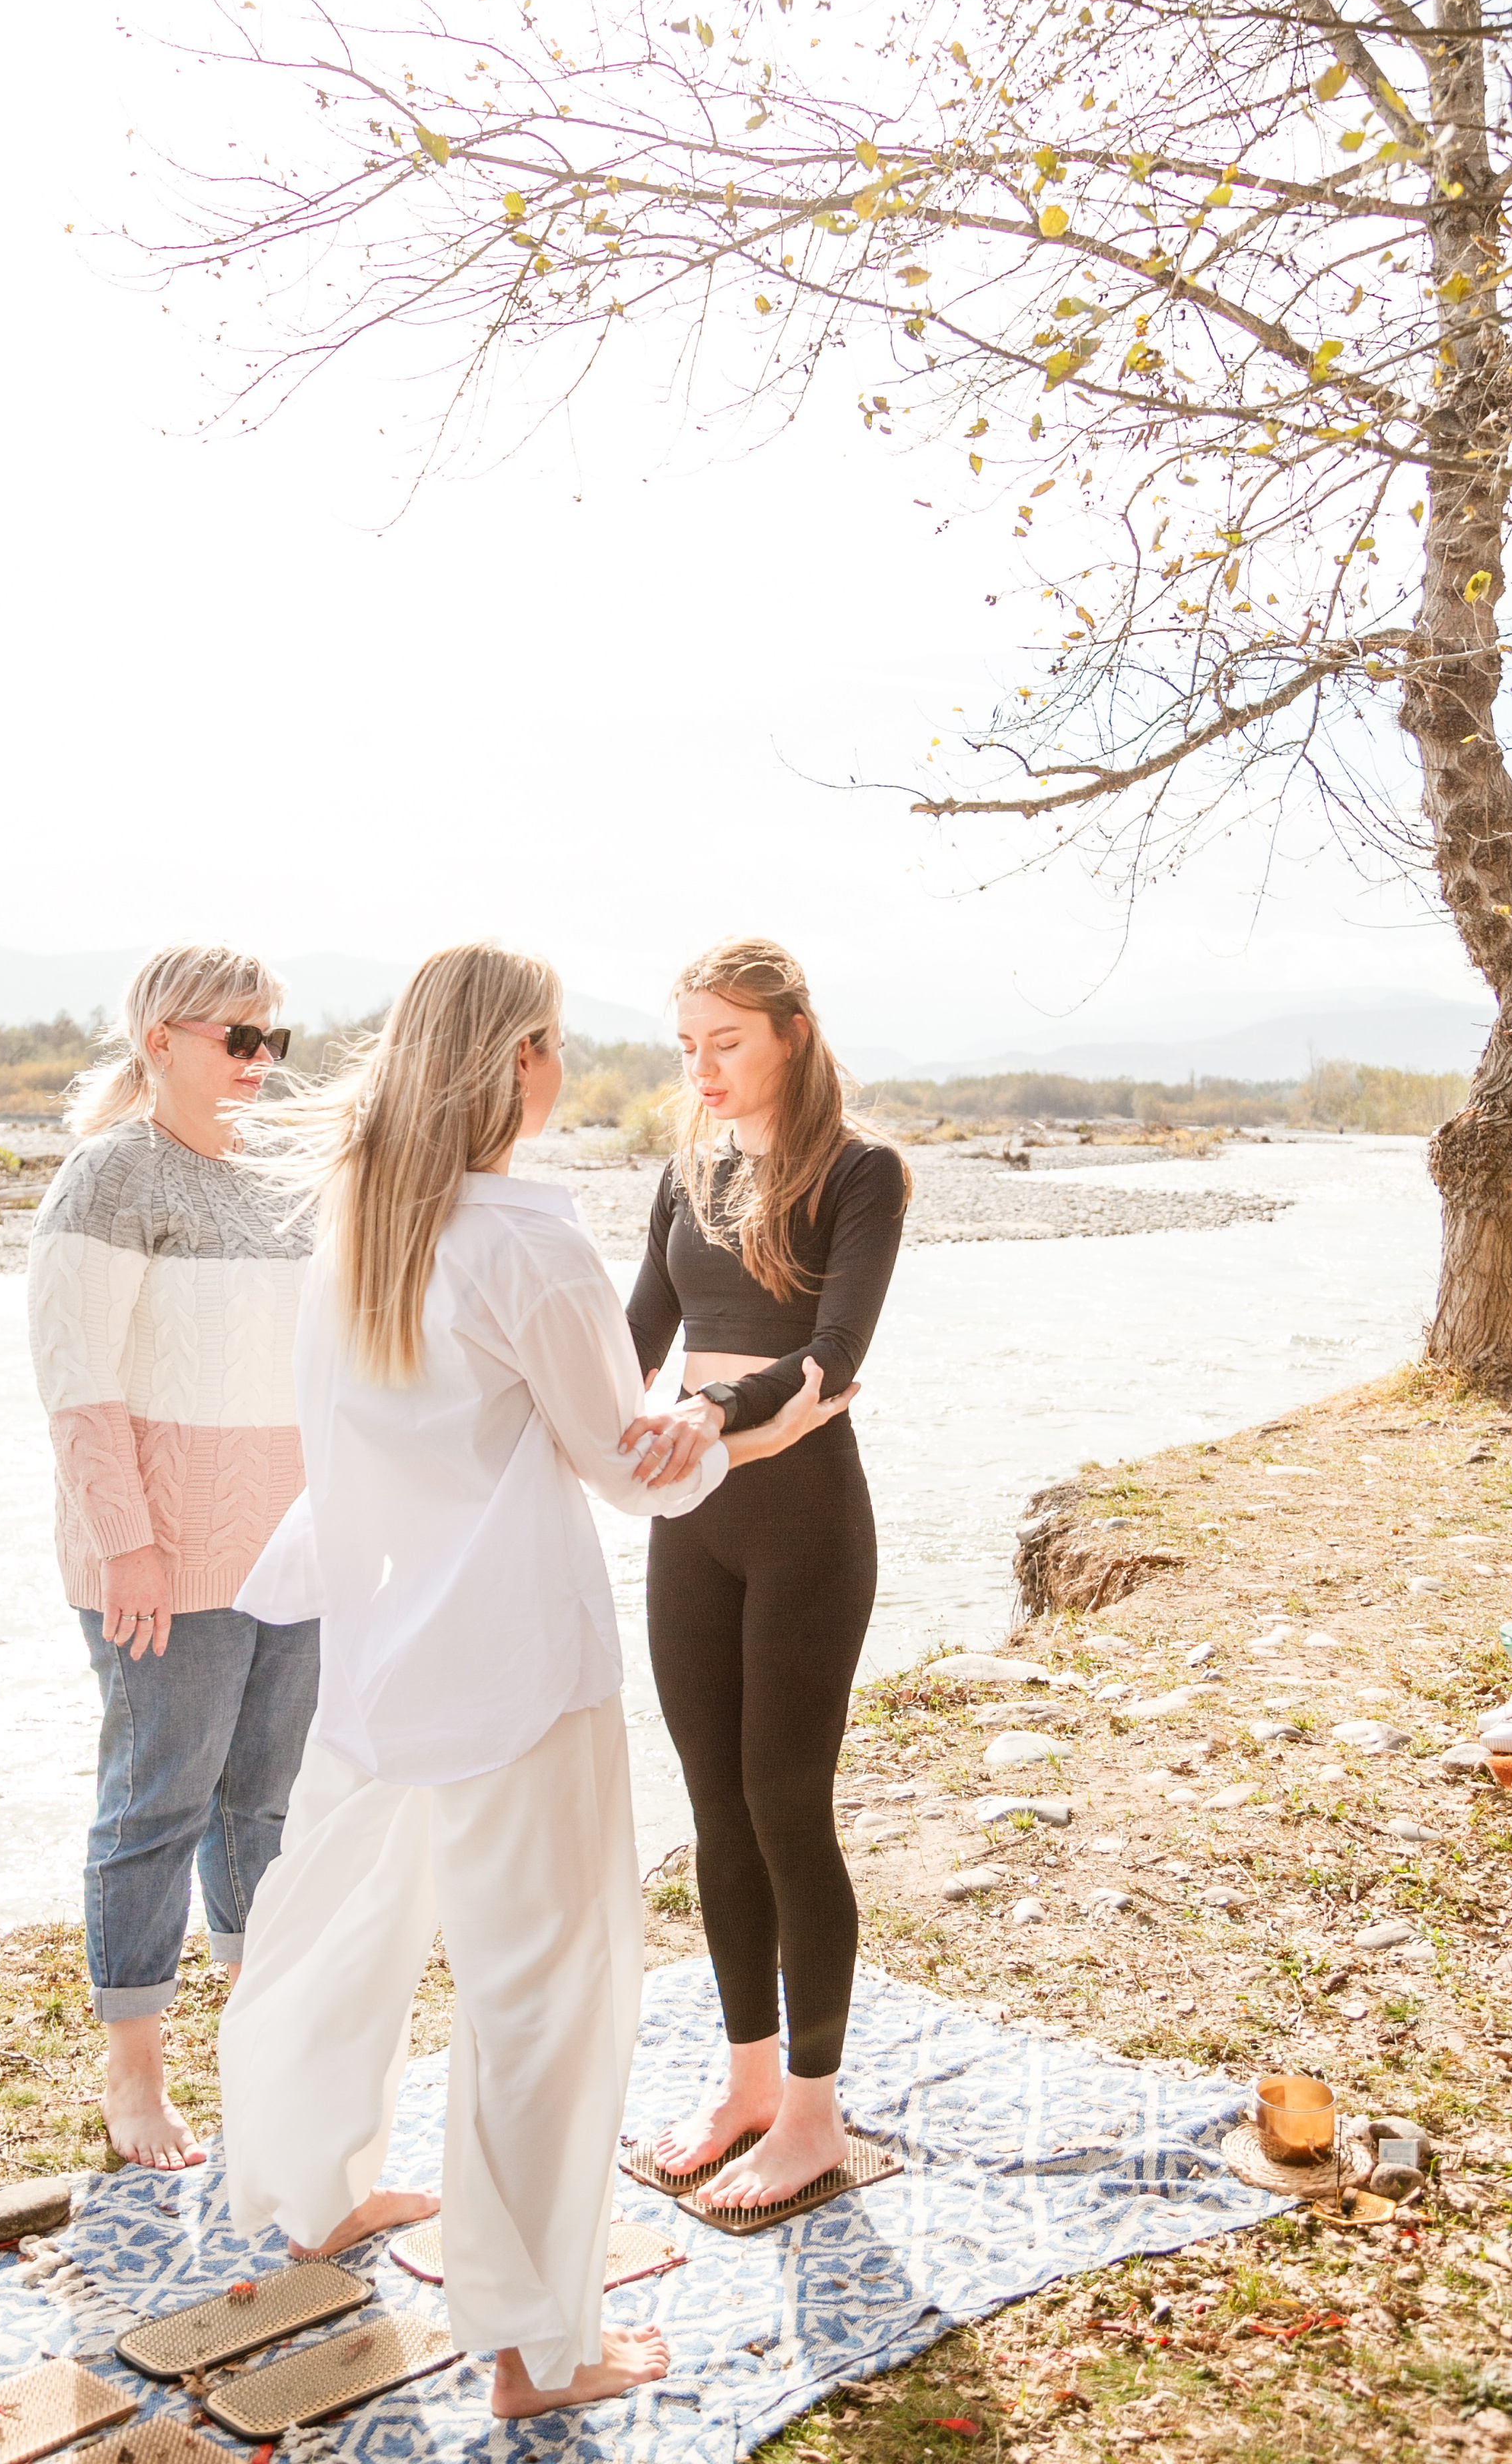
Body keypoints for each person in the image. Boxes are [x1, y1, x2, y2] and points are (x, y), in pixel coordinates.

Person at [219, 942, 848, 2422]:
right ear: (513, 1063)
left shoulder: (359, 1227)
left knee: (340, 1929)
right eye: (555, 1039)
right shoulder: (522, 1238)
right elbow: (617, 1465)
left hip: (373, 1660)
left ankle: (312, 2196)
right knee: (543, 1998)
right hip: (509, 1670)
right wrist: (731, 1429)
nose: (566, 1063)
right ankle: (534, 2347)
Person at [623, 938, 909, 2212]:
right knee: (713, 1807)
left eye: (725, 1041)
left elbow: (835, 1358)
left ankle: (813, 2114)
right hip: (694, 1517)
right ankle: (743, 2084)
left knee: (787, 1802)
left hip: (804, 1523)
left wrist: (708, 1410)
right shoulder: (685, 1172)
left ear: (791, 1031)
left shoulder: (863, 1172)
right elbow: (632, 1338)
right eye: (688, 1045)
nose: (703, 1068)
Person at [27, 942, 317, 2171]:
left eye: (273, 1041)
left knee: (264, 1806)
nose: (259, 1062)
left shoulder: (282, 1179)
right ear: (161, 1040)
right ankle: (133, 2080)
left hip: (292, 1553)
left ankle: (259, 2051)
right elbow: (76, 1383)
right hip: (161, 1562)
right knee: (159, 1805)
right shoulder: (109, 1177)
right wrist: (126, 1548)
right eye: (235, 1039)